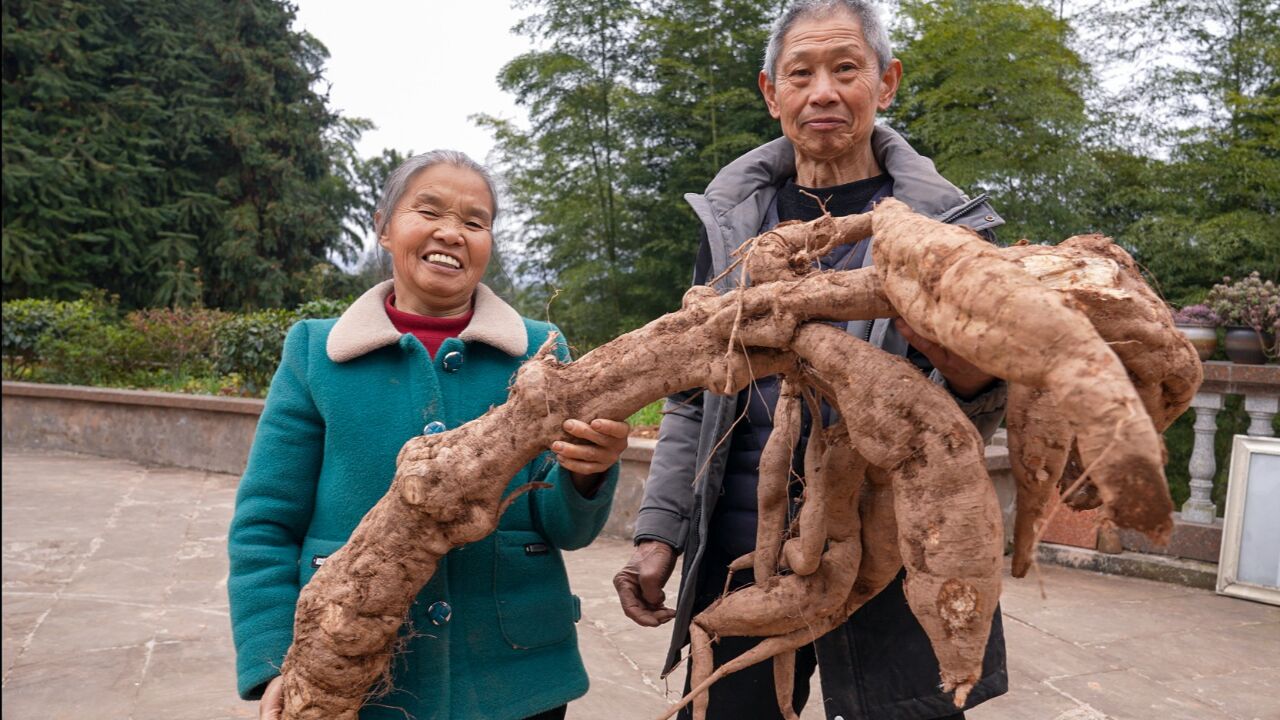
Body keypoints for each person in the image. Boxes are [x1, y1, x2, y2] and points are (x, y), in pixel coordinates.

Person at [613, 2, 1009, 719]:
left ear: (885, 84)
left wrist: (970, 371)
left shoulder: (948, 228)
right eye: (801, 73)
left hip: (897, 558)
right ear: (772, 93)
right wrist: (658, 535)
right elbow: (690, 396)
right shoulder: (731, 222)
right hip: (744, 557)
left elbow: (987, 401)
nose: (822, 91)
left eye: (845, 69)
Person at [228, 150, 629, 720]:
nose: (452, 233)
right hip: (355, 668)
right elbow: (265, 524)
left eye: (474, 221)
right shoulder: (315, 352)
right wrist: (274, 660)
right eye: (429, 211)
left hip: (515, 674)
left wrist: (588, 471)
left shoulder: (541, 351)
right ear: (385, 227)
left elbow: (567, 527)